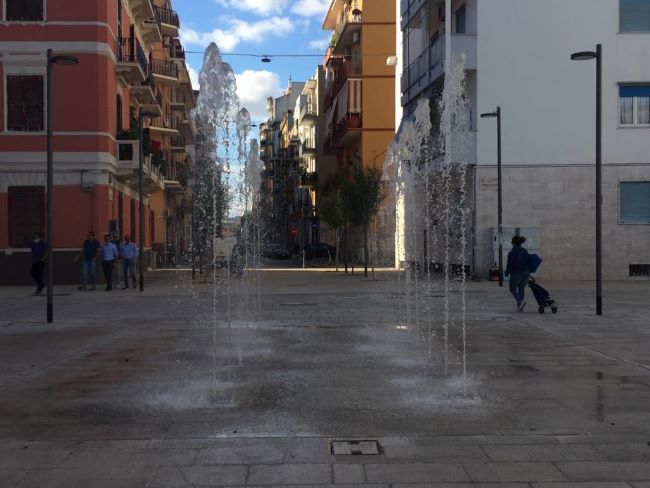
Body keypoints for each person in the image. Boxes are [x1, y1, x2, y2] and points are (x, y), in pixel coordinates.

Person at [505, 235, 530, 312]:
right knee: (521, 288)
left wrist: (507, 272)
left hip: (517, 272)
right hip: (526, 272)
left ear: (514, 243)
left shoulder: (512, 252)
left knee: (512, 288)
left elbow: (510, 263)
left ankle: (520, 302)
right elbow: (529, 261)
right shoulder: (525, 251)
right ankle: (520, 306)